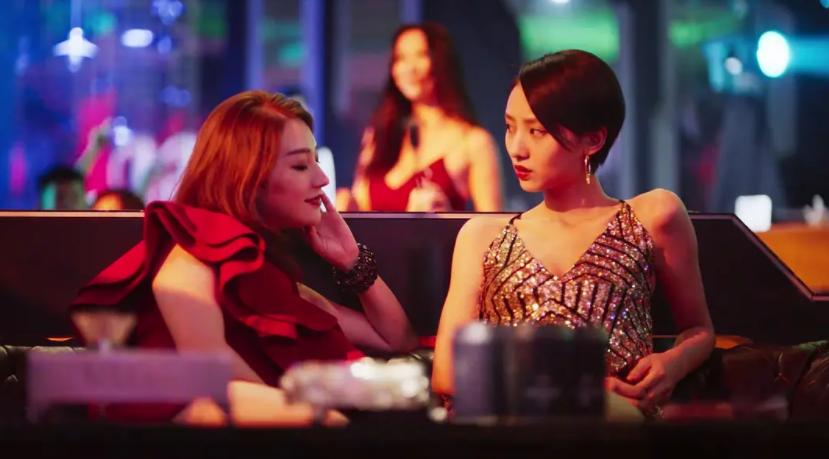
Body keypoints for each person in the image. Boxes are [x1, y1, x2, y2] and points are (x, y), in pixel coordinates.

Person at [69, 90, 418, 424]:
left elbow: (396, 339)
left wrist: (351, 260)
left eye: (315, 160)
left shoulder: (269, 273)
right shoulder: (194, 250)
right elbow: (211, 377)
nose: (322, 178)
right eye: (301, 165)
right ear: (248, 176)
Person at [431, 50, 715, 416]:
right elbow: (446, 373)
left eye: (536, 131)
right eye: (510, 127)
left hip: (615, 427)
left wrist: (672, 364)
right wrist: (578, 390)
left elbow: (699, 329)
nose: (516, 148)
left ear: (593, 140)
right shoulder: (482, 235)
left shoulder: (653, 216)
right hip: (509, 424)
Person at [342, 22, 502, 212]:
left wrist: (442, 217)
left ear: (441, 62)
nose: (410, 68)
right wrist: (346, 203)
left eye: (421, 55)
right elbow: (361, 207)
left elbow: (493, 225)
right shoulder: (378, 134)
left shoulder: (473, 142)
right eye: (401, 58)